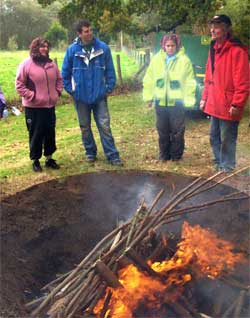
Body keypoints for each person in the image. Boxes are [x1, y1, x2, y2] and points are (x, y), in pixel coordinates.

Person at [62, 19, 122, 166]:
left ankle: (112, 155)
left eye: (90, 30)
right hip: (80, 97)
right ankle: (90, 152)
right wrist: (72, 91)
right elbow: (64, 73)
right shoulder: (72, 51)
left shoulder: (103, 48)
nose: (90, 33)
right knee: (85, 127)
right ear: (79, 33)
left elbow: (110, 71)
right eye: (86, 31)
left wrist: (108, 88)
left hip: (99, 96)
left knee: (104, 126)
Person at [200, 15, 249, 172]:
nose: (213, 30)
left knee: (227, 138)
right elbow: (209, 76)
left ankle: (227, 167)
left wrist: (237, 103)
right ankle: (218, 162)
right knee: (214, 136)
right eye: (212, 26)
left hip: (229, 104)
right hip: (214, 102)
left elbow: (243, 81)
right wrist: (204, 98)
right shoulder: (213, 49)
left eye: (217, 26)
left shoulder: (237, 51)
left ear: (227, 29)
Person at [143, 34, 196, 161]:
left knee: (177, 131)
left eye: (172, 45)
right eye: (168, 46)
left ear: (177, 46)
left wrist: (189, 100)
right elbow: (149, 79)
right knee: (162, 130)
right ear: (163, 46)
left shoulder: (184, 61)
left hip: (177, 103)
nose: (170, 48)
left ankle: (176, 155)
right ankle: (164, 154)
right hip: (160, 102)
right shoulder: (156, 60)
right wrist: (149, 97)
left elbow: (190, 82)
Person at [16, 37, 63, 172]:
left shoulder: (51, 65)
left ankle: (49, 158)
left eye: (47, 46)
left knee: (50, 132)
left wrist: (57, 92)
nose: (45, 49)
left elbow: (59, 80)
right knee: (36, 134)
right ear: (35, 48)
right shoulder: (26, 64)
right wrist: (32, 96)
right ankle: (35, 160)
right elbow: (19, 85)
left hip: (49, 106)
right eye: (42, 46)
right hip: (34, 107)